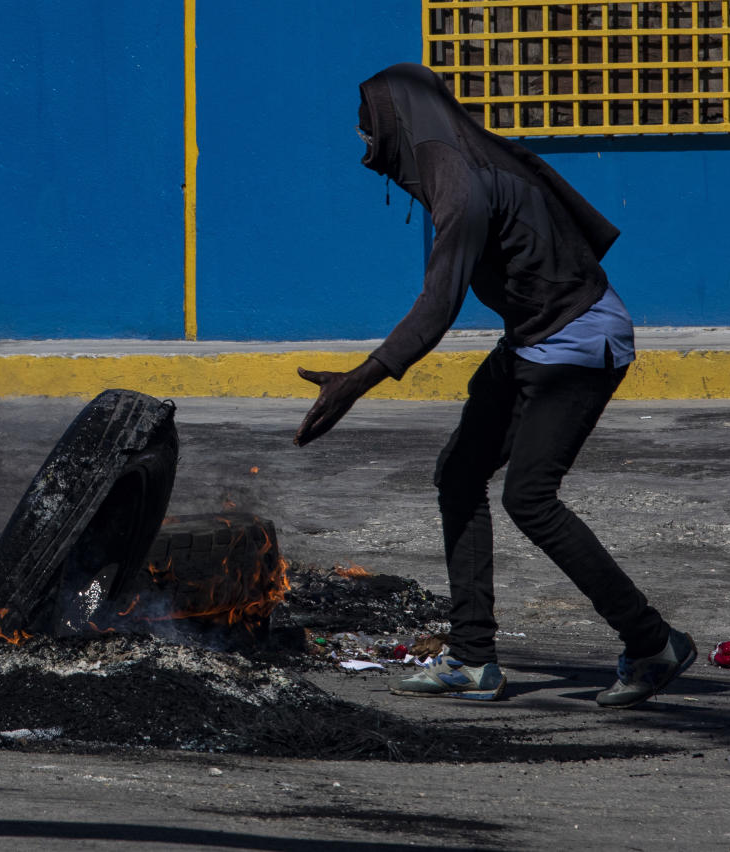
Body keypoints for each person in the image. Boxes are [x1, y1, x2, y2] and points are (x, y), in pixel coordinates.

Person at [293, 63, 695, 706]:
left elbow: (438, 303)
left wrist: (356, 383)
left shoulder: (459, 182)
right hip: (536, 338)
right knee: (459, 474)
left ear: (396, 119)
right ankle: (473, 659)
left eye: (366, 121)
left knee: (530, 498)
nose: (360, 136)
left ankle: (653, 643)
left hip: (578, 342)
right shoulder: (457, 163)